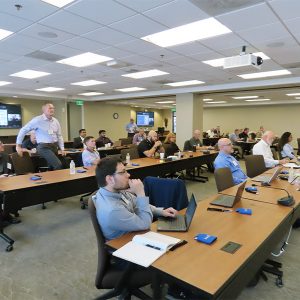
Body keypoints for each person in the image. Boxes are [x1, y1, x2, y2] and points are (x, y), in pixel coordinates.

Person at [93, 157, 178, 241]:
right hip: (124, 246)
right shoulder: (112, 210)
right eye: (123, 172)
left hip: (134, 234)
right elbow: (145, 224)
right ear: (110, 179)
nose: (128, 175)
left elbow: (138, 203)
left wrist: (161, 212)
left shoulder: (115, 191)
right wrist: (140, 193)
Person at [16, 103, 66, 170]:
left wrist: (62, 149)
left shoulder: (55, 121)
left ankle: (50, 180)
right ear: (44, 110)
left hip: (54, 146)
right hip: (43, 147)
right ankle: (61, 180)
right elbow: (23, 130)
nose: (52, 110)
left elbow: (59, 136)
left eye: (53, 108)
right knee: (58, 165)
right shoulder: (37, 120)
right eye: (50, 108)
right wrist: (18, 145)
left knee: (51, 167)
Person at [0, 141, 21, 225]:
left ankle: (6, 215)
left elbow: (11, 170)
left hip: (7, 182)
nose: (3, 145)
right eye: (0, 144)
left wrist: (11, 175)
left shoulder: (6, 156)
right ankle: (5, 217)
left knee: (14, 192)